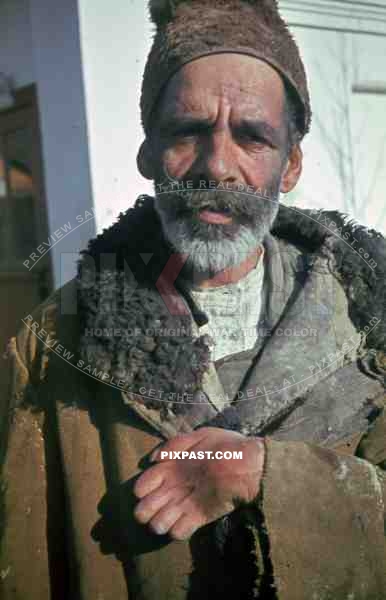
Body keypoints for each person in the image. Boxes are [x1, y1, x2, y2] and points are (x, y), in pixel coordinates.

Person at [1, 1, 386, 598]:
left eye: (253, 137)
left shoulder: (374, 323)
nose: (217, 167)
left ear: (290, 165)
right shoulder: (50, 346)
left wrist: (269, 476)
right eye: (188, 131)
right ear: (148, 152)